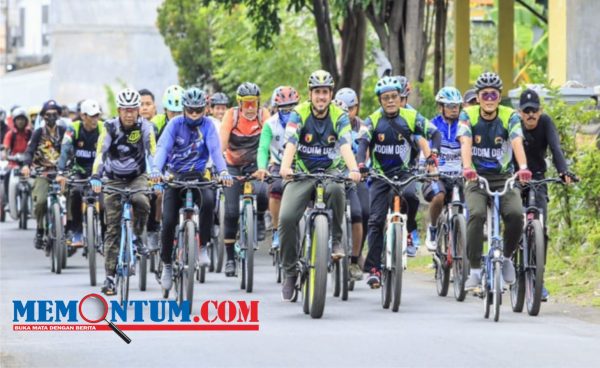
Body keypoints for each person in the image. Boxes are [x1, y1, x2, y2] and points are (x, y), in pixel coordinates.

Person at [278, 70, 362, 301]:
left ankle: (335, 239)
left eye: (325, 92)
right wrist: (286, 168)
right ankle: (290, 271)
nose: (321, 97)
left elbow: (345, 143)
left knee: (337, 189)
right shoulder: (299, 113)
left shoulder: (339, 115)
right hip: (302, 173)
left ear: (330, 94)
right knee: (286, 218)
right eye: (317, 92)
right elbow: (291, 142)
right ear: (310, 94)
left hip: (331, 171)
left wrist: (353, 169)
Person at [356, 76, 441, 288]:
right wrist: (360, 165)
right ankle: (374, 269)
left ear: (400, 98)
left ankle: (410, 229)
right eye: (386, 98)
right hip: (380, 176)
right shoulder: (372, 120)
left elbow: (435, 133)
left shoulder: (411, 117)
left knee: (411, 196)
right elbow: (363, 144)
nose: (391, 101)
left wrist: (433, 154)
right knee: (375, 220)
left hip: (405, 173)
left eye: (394, 96)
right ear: (380, 100)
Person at [152, 87, 233, 292]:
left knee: (208, 201)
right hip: (175, 177)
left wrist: (223, 172)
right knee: (169, 220)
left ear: (205, 109)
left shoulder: (208, 126)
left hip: (198, 176)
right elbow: (162, 149)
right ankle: (168, 266)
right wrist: (155, 169)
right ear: (184, 109)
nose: (195, 115)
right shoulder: (174, 124)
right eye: (191, 110)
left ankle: (203, 246)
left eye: (198, 110)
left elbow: (215, 150)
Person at [457, 72, 531, 290]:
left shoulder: (510, 116)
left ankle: (507, 257)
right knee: (477, 214)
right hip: (476, 178)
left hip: (505, 178)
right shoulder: (467, 115)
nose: (489, 99)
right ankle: (475, 269)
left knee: (516, 214)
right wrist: (467, 167)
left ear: (499, 97)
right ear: (478, 97)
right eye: (485, 95)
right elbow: (465, 141)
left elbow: (517, 141)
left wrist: (524, 168)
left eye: (494, 95)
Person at [91, 88, 156, 296]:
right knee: (112, 229)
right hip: (113, 179)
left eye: (133, 110)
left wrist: (155, 174)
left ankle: (137, 236)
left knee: (143, 201)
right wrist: (95, 176)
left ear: (138, 110)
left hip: (137, 176)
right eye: (125, 110)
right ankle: (109, 277)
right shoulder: (109, 127)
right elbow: (101, 153)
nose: (129, 114)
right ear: (119, 111)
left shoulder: (146, 126)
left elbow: (152, 152)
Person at [518, 88, 577, 301]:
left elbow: (555, 148)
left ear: (540, 110)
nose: (530, 115)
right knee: (514, 217)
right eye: (526, 111)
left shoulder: (546, 123)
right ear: (520, 112)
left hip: (539, 178)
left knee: (541, 227)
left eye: (534, 110)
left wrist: (563, 171)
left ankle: (537, 279)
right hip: (516, 177)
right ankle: (509, 262)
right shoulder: (514, 124)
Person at [220, 82, 271, 276]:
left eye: (253, 103)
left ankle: (258, 219)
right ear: (239, 103)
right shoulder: (231, 116)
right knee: (231, 212)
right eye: (246, 103)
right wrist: (219, 169)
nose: (250, 108)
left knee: (264, 193)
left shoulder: (263, 115)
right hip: (232, 166)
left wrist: (266, 166)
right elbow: (222, 144)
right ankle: (230, 259)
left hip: (256, 165)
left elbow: (270, 141)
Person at [255, 86, 300, 253]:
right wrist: (261, 167)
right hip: (277, 164)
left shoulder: (304, 121)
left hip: (300, 164)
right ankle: (276, 230)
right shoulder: (270, 124)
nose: (288, 111)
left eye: (292, 107)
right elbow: (263, 148)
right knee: (274, 188)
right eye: (283, 108)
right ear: (276, 107)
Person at [334, 87, 370, 281]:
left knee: (362, 213)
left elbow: (366, 151)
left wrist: (360, 169)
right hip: (335, 176)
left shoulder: (363, 126)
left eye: (351, 108)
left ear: (356, 108)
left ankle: (355, 258)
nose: (347, 113)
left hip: (357, 177)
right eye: (343, 108)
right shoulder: (332, 123)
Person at [57, 100, 104, 248]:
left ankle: (105, 234)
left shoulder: (104, 128)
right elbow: (65, 149)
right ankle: (77, 231)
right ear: (83, 116)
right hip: (80, 171)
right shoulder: (73, 128)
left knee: (104, 203)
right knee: (75, 192)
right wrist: (60, 172)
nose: (95, 119)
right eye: (92, 116)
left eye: (97, 115)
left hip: (99, 172)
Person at [21, 100, 67, 250]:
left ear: (59, 115)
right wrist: (26, 165)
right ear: (43, 116)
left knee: (72, 196)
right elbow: (29, 151)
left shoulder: (65, 131)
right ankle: (40, 229)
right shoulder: (38, 133)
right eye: (48, 114)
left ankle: (71, 229)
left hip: (61, 173)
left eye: (54, 114)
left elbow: (71, 149)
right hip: (43, 172)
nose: (51, 117)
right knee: (40, 201)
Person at [423, 87, 464, 251]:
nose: (455, 109)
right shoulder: (431, 125)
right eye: (450, 106)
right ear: (441, 107)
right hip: (437, 175)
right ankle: (433, 228)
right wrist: (429, 169)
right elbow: (424, 151)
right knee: (439, 197)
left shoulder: (464, 125)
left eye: (457, 106)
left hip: (459, 176)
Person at [148, 85, 185, 251]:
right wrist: (155, 173)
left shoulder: (189, 123)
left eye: (179, 112)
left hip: (182, 168)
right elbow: (152, 150)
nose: (176, 116)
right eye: (172, 112)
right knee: (155, 194)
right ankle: (153, 229)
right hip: (161, 166)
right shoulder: (156, 124)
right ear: (165, 110)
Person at [2, 108, 32, 200]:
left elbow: (35, 147)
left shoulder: (30, 133)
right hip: (13, 163)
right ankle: (7, 199)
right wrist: (6, 155)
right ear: (14, 121)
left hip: (28, 164)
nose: (20, 122)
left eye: (22, 119)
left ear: (26, 121)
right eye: (18, 119)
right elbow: (5, 149)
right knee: (6, 176)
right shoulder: (10, 134)